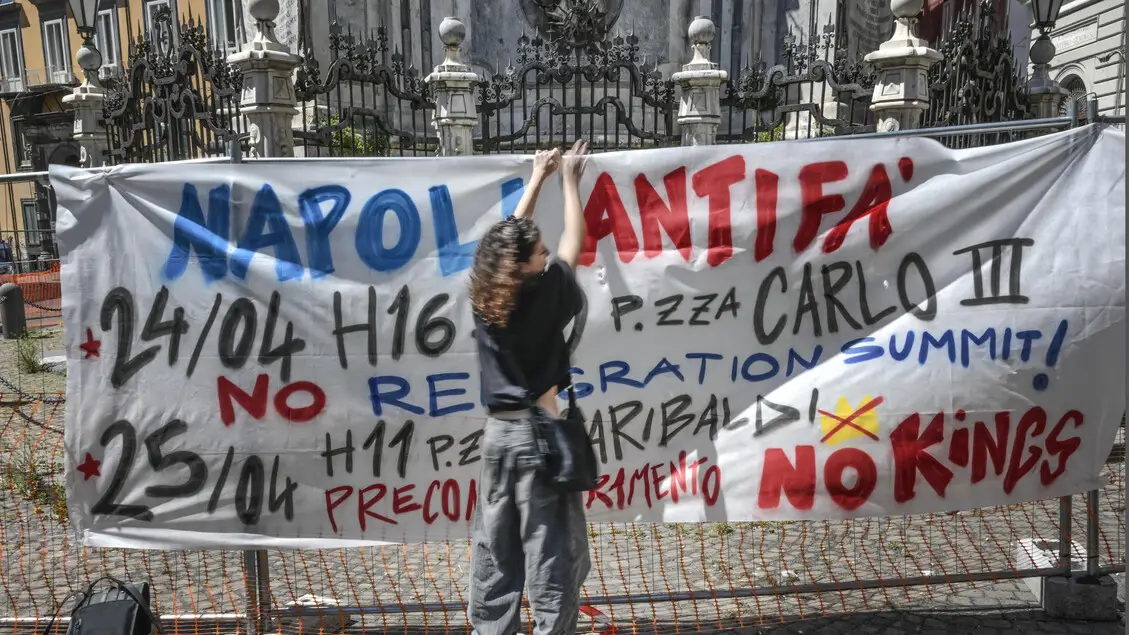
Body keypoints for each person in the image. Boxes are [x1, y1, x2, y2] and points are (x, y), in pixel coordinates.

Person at [467, 138, 591, 635]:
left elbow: (508, 241)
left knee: (495, 548)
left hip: (498, 437)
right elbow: (573, 244)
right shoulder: (548, 291)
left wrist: (538, 177)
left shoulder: (486, 294)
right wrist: (569, 182)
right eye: (538, 252)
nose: (546, 253)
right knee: (551, 550)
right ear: (524, 265)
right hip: (540, 439)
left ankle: (491, 629)